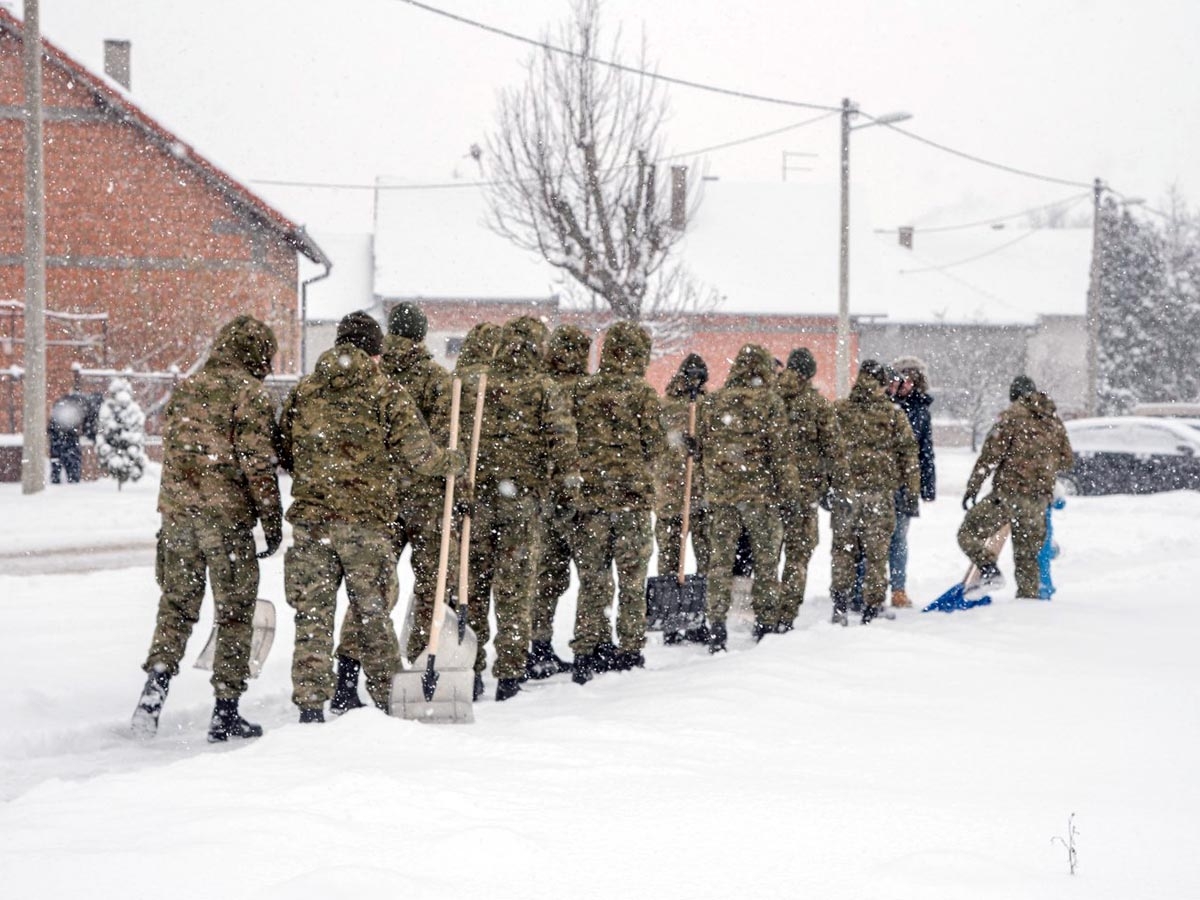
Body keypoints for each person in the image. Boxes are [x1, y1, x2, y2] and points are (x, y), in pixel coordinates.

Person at [278, 311, 462, 724]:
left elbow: (284, 449)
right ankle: (386, 704)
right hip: (366, 525)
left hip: (312, 523)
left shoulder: (304, 390)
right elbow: (419, 456)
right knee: (373, 615)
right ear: (376, 352)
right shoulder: (386, 392)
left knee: (313, 617)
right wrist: (451, 461)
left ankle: (311, 707)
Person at [130, 315, 282, 742]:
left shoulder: (187, 389)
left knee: (176, 607)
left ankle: (152, 697)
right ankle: (225, 711)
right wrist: (271, 523)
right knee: (234, 615)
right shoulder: (250, 395)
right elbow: (258, 466)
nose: (269, 365)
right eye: (267, 355)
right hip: (226, 523)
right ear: (253, 352)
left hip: (177, 518)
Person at [470, 316, 581, 702]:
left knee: (475, 587)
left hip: (478, 500)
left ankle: (471, 668)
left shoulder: (475, 384)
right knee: (515, 590)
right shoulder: (543, 388)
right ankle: (510, 673)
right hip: (521, 503)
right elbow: (563, 444)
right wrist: (568, 495)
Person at [569, 321, 665, 682]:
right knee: (631, 581)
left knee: (592, 580)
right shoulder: (643, 394)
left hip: (590, 503)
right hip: (632, 503)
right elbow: (656, 446)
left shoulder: (582, 391)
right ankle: (628, 649)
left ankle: (585, 649)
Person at [695, 343, 800, 651]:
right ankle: (765, 624)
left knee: (720, 564)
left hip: (722, 497)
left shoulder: (713, 402)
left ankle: (716, 626)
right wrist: (789, 494)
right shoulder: (770, 402)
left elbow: (701, 449)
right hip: (760, 497)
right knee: (766, 564)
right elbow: (781, 455)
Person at [958, 375, 1073, 599]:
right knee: (1027, 561)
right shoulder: (1053, 421)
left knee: (968, 534)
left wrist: (972, 488)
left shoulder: (1010, 418)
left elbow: (989, 458)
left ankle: (990, 571)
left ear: (1013, 396)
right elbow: (1067, 459)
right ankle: (1026, 607)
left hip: (1008, 496)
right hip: (1038, 501)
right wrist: (1043, 466)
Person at [828, 360, 920, 625]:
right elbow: (909, 455)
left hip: (845, 494)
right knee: (876, 554)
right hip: (879, 496)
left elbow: (825, 449)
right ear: (881, 384)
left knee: (843, 551)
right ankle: (871, 608)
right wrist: (911, 491)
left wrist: (826, 485)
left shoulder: (840, 410)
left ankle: (840, 606)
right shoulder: (893, 414)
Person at [529, 324, 592, 680]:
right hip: (575, 494)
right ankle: (588, 644)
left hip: (541, 493)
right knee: (591, 574)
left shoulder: (537, 387)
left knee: (545, 575)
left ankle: (538, 644)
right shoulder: (588, 389)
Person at [775, 347, 841, 630]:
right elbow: (834, 450)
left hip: (769, 492)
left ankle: (764, 612)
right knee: (798, 555)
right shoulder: (817, 405)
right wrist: (835, 486)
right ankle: (786, 614)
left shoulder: (769, 398)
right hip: (804, 495)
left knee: (767, 556)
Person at [452, 322, 501, 700]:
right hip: (494, 495)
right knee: (494, 585)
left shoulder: (455, 380)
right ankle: (485, 667)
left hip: (466, 495)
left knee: (469, 585)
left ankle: (472, 666)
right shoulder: (500, 384)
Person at [653, 353, 711, 633]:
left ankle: (700, 615)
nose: (695, 382)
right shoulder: (665, 408)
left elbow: (715, 449)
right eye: (691, 376)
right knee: (669, 557)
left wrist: (698, 448)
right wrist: (676, 443)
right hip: (670, 495)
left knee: (706, 557)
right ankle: (670, 618)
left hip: (700, 496)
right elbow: (654, 446)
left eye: (700, 377)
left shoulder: (707, 408)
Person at [884, 357, 936, 608]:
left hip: (906, 484)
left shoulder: (920, 412)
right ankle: (866, 588)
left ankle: (898, 589)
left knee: (898, 538)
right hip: (881, 482)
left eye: (910, 379)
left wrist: (927, 486)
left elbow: (926, 451)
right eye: (901, 378)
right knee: (873, 538)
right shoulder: (882, 406)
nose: (905, 384)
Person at [47, 391, 101, 484]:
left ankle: (56, 477)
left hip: (57, 431)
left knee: (56, 458)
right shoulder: (90, 405)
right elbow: (89, 426)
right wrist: (92, 437)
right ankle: (72, 479)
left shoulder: (76, 399)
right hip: (68, 432)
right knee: (72, 460)